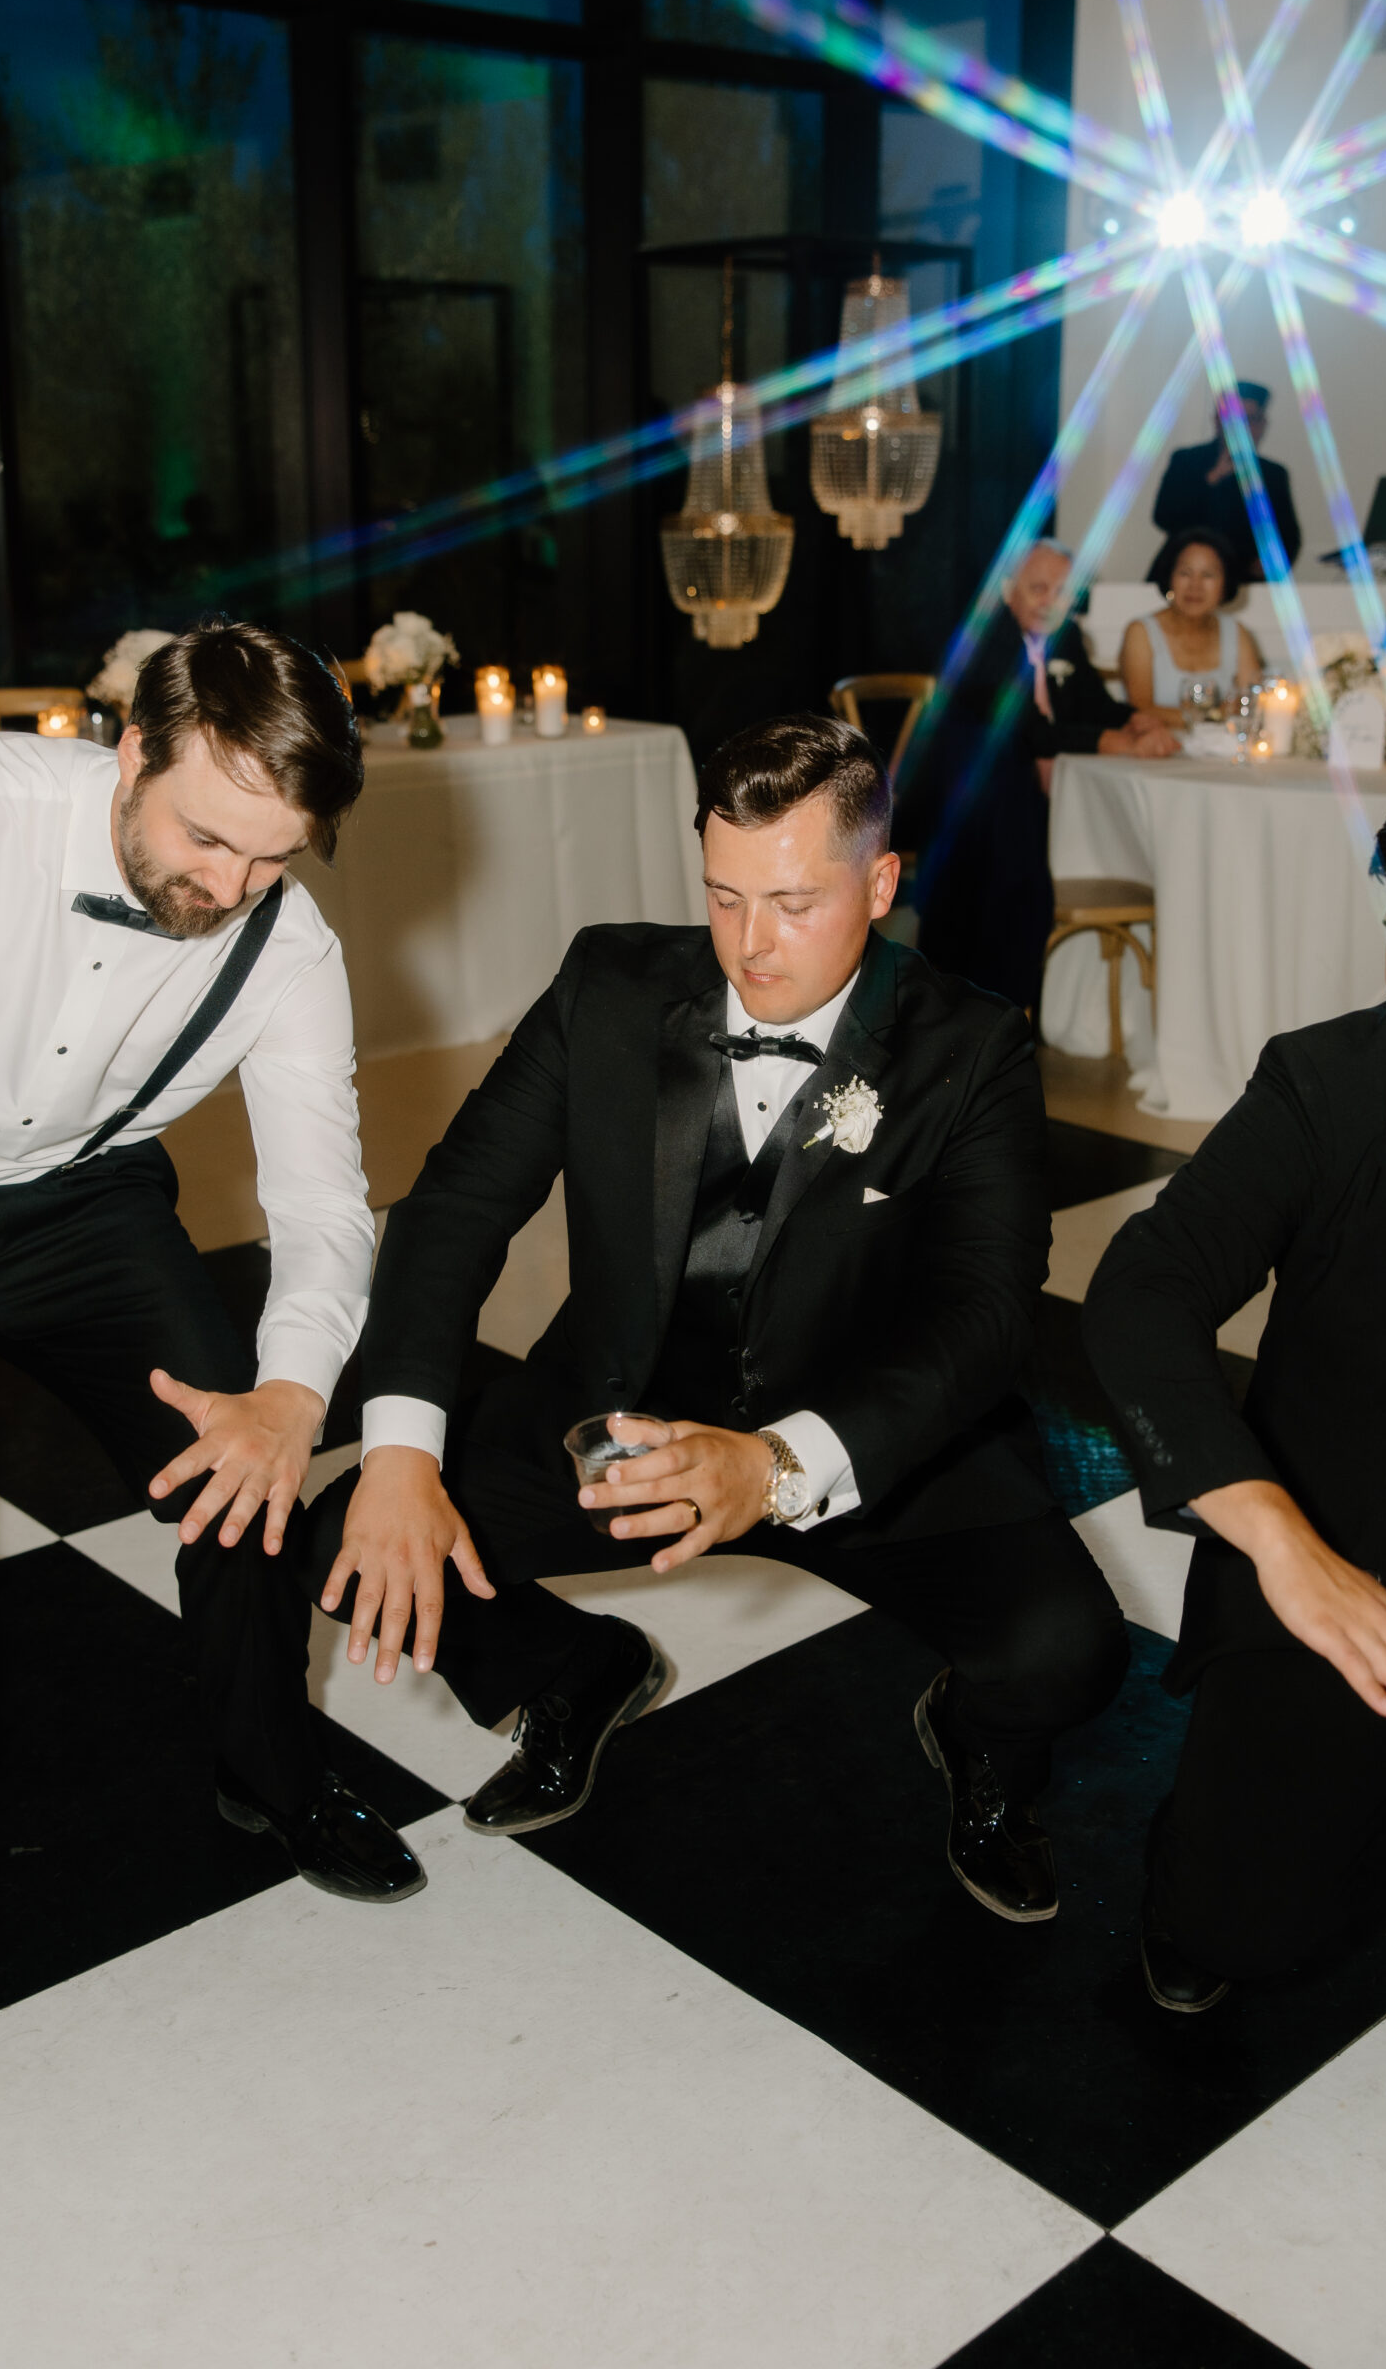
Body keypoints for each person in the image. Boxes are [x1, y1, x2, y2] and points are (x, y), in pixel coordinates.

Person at [303, 716, 1129, 1927]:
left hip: (874, 1445)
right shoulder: (606, 985)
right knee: (354, 1543)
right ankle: (576, 1673)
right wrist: (397, 1451)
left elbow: (989, 1315)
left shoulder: (973, 1044)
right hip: (623, 1416)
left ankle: (981, 1747)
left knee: (1072, 1651)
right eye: (723, 896)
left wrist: (782, 1461)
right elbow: (452, 1211)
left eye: (794, 902)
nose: (751, 944)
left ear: (882, 881)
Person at [0, 620, 418, 1989]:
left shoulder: (286, 950)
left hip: (77, 1203)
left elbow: (322, 1206)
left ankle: (268, 1766)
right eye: (208, 838)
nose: (231, 885)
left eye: (274, 855)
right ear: (132, 750)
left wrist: (286, 1399)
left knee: (242, 1476)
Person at [1081, 741, 1386, 2013]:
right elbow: (1140, 1292)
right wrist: (1285, 1548)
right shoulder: (1326, 1086)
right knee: (1233, 1930)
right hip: (1356, 1556)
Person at [899, 538, 1177, 1012]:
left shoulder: (1066, 637)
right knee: (1006, 802)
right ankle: (991, 1003)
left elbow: (1094, 705)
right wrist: (1109, 742)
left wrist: (1133, 719)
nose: (1051, 601)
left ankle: (1018, 1003)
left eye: (1063, 591)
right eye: (1039, 588)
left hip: (1037, 803)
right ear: (1009, 589)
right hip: (965, 811)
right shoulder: (983, 638)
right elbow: (1021, 729)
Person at [1152, 381, 1301, 580]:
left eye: (1251, 420)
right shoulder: (1187, 460)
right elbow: (1164, 516)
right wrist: (1212, 478)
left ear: (1262, 425)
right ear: (1217, 421)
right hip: (1183, 575)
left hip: (1244, 583)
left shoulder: (1272, 474)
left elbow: (1289, 536)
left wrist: (1271, 562)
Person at [1119, 528, 1260, 722]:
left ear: (1225, 584)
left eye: (1208, 575)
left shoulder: (1236, 632)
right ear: (1170, 578)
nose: (1195, 585)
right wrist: (1216, 715)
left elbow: (1252, 703)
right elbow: (1140, 708)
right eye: (1185, 573)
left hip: (1223, 749)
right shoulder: (1141, 632)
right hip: (1156, 748)